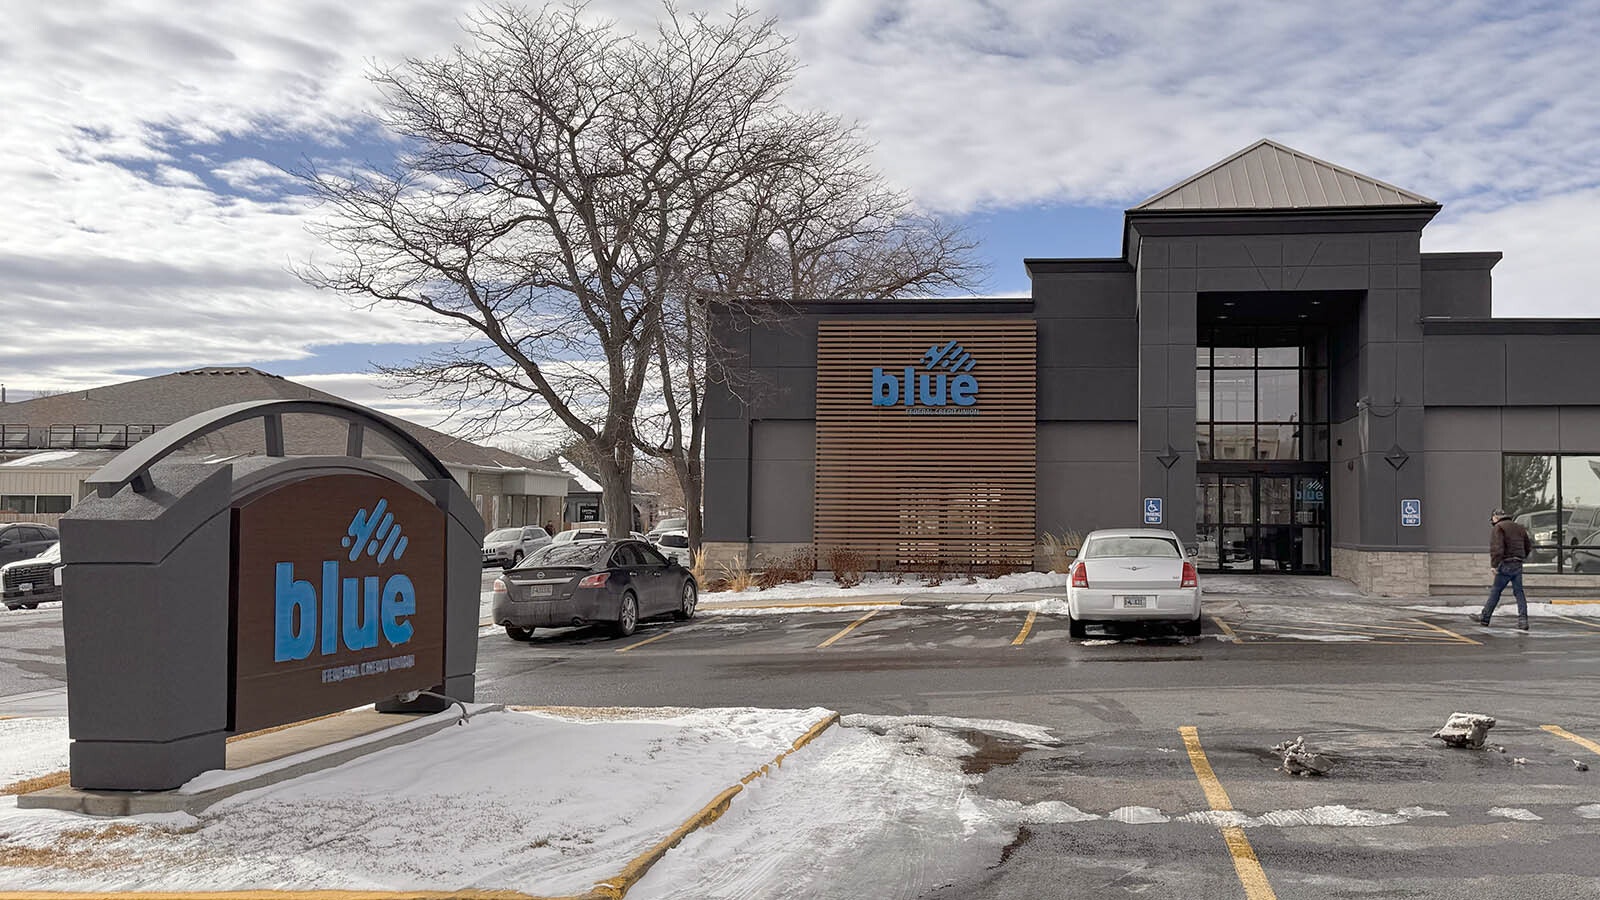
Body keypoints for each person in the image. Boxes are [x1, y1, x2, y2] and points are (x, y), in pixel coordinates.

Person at [1474, 509, 1532, 630]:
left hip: (1505, 563)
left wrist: (1494, 565)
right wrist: (1521, 557)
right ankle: (1523, 620)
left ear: (1495, 517)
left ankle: (1485, 617)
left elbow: (1497, 548)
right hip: (1517, 563)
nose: (1492, 522)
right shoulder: (1519, 527)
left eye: (1492, 520)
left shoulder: (1499, 528)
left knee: (1496, 591)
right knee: (1519, 592)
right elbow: (1528, 546)